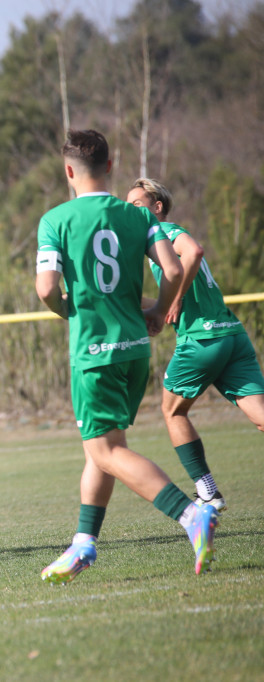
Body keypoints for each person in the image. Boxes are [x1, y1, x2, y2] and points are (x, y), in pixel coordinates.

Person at [34, 129, 218, 583]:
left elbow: (46, 289)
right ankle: (83, 544)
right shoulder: (137, 215)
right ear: (111, 167)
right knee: (100, 450)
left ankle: (190, 514)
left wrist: (67, 311)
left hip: (93, 351)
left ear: (68, 170)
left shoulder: (55, 220)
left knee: (107, 448)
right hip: (135, 349)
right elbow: (173, 268)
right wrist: (159, 309)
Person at [126, 177, 264, 512]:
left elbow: (195, 251)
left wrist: (175, 300)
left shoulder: (166, 232)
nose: (131, 212)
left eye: (137, 205)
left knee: (172, 411)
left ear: (157, 207)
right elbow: (165, 299)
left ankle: (208, 493)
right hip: (232, 336)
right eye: (127, 207)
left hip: (202, 340)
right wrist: (142, 305)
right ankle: (208, 493)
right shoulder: (156, 248)